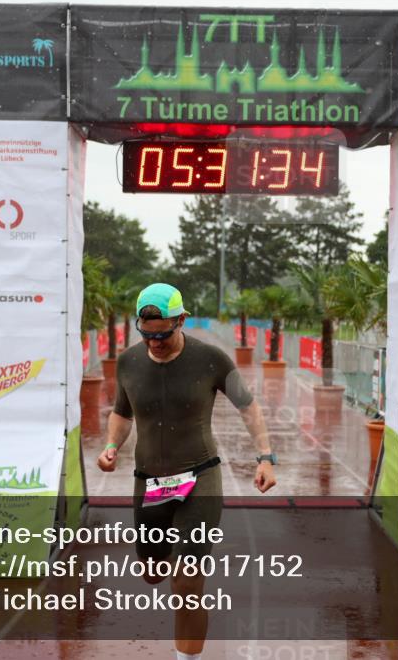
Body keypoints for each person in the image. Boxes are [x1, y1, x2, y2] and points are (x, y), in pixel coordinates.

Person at [97, 283, 277, 660]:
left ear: (182, 320)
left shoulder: (210, 359)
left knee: (187, 582)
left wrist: (265, 456)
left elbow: (248, 406)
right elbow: (121, 412)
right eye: (147, 334)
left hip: (200, 477)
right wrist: (112, 445)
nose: (155, 342)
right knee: (153, 572)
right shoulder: (130, 361)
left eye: (163, 333)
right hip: (151, 482)